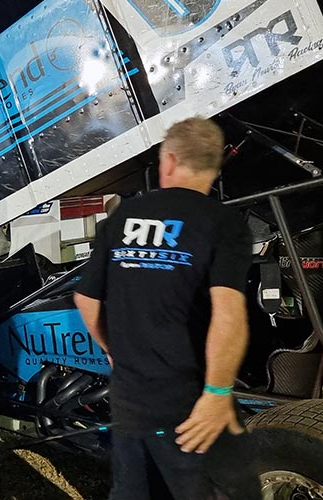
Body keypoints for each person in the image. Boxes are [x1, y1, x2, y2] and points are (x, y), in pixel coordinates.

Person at [74, 117, 256, 500]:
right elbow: (228, 312)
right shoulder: (223, 222)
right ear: (213, 165)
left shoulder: (121, 217)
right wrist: (218, 391)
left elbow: (86, 299)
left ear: (169, 160)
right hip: (189, 410)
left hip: (130, 404)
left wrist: (113, 350)